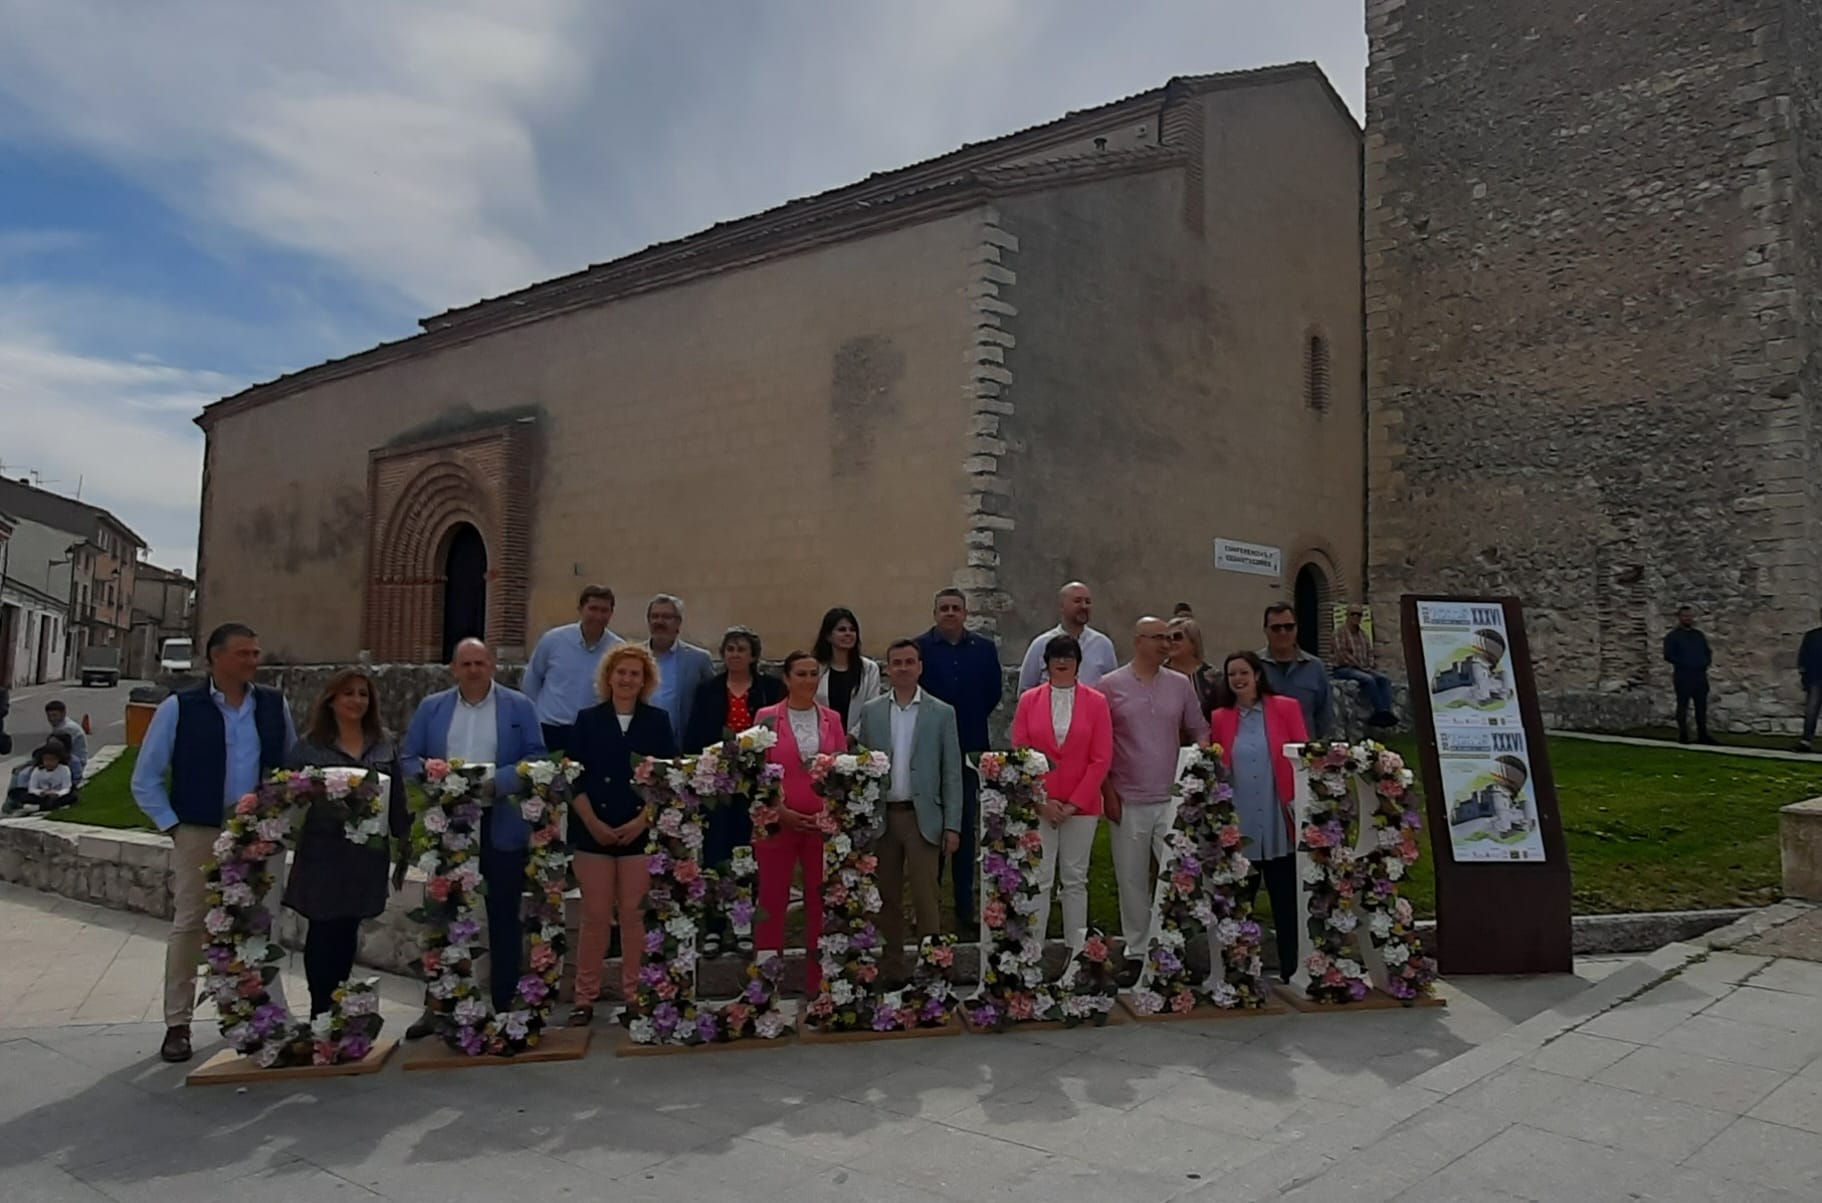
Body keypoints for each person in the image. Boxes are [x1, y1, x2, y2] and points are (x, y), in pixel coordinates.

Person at [131, 621, 298, 1063]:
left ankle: (260, 1014)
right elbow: (145, 777)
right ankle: (177, 1022)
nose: (252, 661)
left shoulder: (272, 705)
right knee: (191, 923)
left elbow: (288, 769)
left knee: (261, 921)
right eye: (243, 653)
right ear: (215, 658)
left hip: (260, 832)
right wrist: (174, 827)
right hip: (201, 828)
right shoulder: (179, 708)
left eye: (255, 653)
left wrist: (278, 816)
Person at [399, 638, 546, 1036]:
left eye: (480, 662)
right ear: (453, 668)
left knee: (503, 915)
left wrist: (495, 783)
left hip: (500, 821)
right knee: (442, 919)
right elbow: (408, 757)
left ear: (493, 665)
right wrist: (435, 777)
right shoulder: (433, 708)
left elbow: (537, 757)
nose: (474, 670)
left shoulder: (519, 707)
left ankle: (504, 1001)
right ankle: (439, 1005)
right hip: (448, 827)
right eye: (466, 663)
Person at [283, 670, 409, 1017]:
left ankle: (339, 1004)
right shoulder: (310, 746)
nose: (356, 701)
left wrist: (405, 843)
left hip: (366, 856)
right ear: (331, 700)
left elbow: (397, 796)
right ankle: (319, 1008)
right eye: (348, 694)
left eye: (363, 694)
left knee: (348, 928)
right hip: (324, 853)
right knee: (323, 929)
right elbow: (288, 793)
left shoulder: (384, 743)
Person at [566, 643, 677, 1025]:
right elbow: (573, 778)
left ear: (645, 680)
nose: (627, 679)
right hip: (592, 830)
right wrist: (593, 822)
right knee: (595, 917)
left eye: (635, 673)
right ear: (609, 677)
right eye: (621, 672)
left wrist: (642, 822)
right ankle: (584, 999)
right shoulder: (587, 719)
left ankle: (635, 997)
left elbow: (667, 779)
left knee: (634, 917)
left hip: (637, 833)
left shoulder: (658, 722)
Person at [1100, 617, 1210, 985]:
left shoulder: (1180, 685)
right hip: (1127, 797)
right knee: (1131, 879)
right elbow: (1099, 745)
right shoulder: (1110, 686)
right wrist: (1107, 792)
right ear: (1139, 640)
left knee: (1177, 877)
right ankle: (1136, 950)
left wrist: (1201, 767)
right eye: (1160, 638)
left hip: (1172, 799)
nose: (1167, 644)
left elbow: (1199, 729)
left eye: (1169, 638)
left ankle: (1172, 947)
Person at [855, 639, 963, 985]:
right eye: (896, 662)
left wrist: (953, 825)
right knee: (886, 897)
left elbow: (952, 773)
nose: (902, 667)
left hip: (923, 818)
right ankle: (892, 967)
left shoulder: (941, 712)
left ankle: (932, 965)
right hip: (883, 817)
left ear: (920, 666)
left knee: (925, 895)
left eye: (909, 662)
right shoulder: (871, 712)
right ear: (887, 668)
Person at [1210, 651, 1308, 983]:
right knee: (1240, 902)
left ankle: (1292, 969)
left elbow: (1303, 757)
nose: (1238, 679)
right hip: (1241, 820)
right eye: (1231, 674)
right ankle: (1238, 971)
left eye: (1243, 672)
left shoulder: (1285, 708)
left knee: (1286, 902)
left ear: (1257, 675)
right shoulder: (1221, 717)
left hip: (1279, 817)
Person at [1010, 634, 1112, 954]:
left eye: (1068, 656)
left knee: (1075, 880)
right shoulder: (1029, 700)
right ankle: (1033, 954)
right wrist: (1042, 800)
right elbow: (1021, 752)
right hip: (1041, 805)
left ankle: (1076, 954)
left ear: (1079, 662)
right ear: (1047, 663)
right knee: (1039, 879)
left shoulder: (1097, 702)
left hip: (1081, 807)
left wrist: (1073, 803)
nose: (1062, 662)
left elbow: (1101, 758)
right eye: (1056, 657)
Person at [687, 626, 785, 957]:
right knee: (717, 854)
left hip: (754, 789)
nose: (735, 654)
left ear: (753, 655)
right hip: (717, 787)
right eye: (729, 649)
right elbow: (695, 737)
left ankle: (743, 925)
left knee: (747, 855)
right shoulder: (708, 690)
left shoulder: (770, 690)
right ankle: (714, 926)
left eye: (741, 649)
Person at [754, 652, 846, 995]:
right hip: (779, 822)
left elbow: (839, 770)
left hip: (820, 824)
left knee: (820, 902)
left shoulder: (832, 719)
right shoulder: (766, 718)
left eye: (813, 674)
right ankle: (766, 985)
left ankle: (819, 984)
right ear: (787, 679)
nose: (808, 680)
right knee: (772, 901)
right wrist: (780, 809)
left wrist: (828, 811)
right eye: (801, 674)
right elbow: (758, 772)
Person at [915, 587, 1003, 933]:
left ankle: (965, 907)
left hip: (969, 749)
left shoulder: (983, 649)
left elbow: (993, 693)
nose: (950, 613)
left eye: (956, 608)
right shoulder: (919, 648)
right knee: (931, 829)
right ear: (935, 613)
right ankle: (929, 906)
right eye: (944, 608)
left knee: (966, 829)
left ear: (965, 613)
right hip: (930, 752)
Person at [522, 584, 622, 754]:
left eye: (604, 610)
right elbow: (532, 681)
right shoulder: (553, 640)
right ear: (580, 609)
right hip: (550, 730)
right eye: (593, 609)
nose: (598, 616)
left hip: (593, 733)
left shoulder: (617, 649)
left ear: (611, 613)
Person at [1017, 581, 1120, 690]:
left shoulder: (1103, 645)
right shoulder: (1041, 645)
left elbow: (1113, 689)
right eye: (1077, 601)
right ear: (1061, 606)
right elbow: (1025, 690)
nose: (1084, 606)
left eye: (1088, 601)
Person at [644, 593, 714, 748]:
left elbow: (710, 702)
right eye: (654, 616)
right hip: (641, 745)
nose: (659, 622)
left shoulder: (698, 660)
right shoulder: (633, 656)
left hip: (682, 746)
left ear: (678, 622)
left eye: (666, 617)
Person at [1259, 602, 1334, 738]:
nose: (1283, 632)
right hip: (1264, 751)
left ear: (1297, 628)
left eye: (1289, 627)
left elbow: (1324, 715)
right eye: (1276, 628)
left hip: (1303, 751)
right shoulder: (1254, 665)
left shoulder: (1315, 667)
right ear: (1265, 630)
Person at [812, 606, 881, 730]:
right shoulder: (815, 669)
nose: (848, 634)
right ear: (828, 636)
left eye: (852, 630)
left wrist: (852, 736)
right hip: (823, 737)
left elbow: (872, 709)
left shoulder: (869, 669)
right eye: (842, 630)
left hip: (858, 741)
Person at [1330, 606, 1398, 728]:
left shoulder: (1363, 635)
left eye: (1359, 615)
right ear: (1347, 615)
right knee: (1368, 680)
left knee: (1383, 679)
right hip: (1344, 669)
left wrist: (1369, 665)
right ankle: (1379, 711)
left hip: (1363, 668)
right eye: (1353, 614)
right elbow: (1343, 654)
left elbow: (1370, 652)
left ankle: (1386, 712)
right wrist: (1361, 667)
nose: (1356, 617)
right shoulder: (1339, 633)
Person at [1663, 605, 1714, 745]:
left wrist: (1704, 663)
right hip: (1683, 675)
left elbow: (1707, 652)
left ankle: (1703, 735)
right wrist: (1685, 663)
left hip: (1699, 675)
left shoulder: (1698, 635)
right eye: (1685, 616)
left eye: (1690, 616)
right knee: (1683, 705)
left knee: (1701, 707)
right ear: (1679, 617)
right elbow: (1668, 655)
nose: (1688, 618)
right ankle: (1683, 735)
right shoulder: (1673, 636)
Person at [1167, 615, 1233, 720]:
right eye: (1167, 638)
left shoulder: (1213, 676)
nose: (1171, 642)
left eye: (1177, 637)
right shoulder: (1155, 673)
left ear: (1193, 642)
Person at [43, 700, 88, 783]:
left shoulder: (67, 728)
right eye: (49, 716)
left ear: (63, 713)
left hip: (74, 763)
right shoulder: (60, 725)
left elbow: (55, 750)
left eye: (55, 715)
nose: (52, 719)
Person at [19, 744, 72, 812]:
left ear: (58, 759)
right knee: (20, 794)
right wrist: (40, 792)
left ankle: (43, 806)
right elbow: (32, 788)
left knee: (72, 796)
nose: (49, 762)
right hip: (41, 796)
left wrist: (58, 794)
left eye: (52, 760)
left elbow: (66, 787)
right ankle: (46, 805)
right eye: (46, 759)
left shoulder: (64, 769)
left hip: (57, 795)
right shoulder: (37, 770)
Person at [1798, 610, 1822, 752]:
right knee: (1811, 710)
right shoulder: (1812, 636)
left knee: (1811, 710)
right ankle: (1806, 741)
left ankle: (1806, 741)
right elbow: (1803, 658)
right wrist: (1805, 676)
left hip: (1815, 679)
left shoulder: (1812, 636)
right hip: (1816, 679)